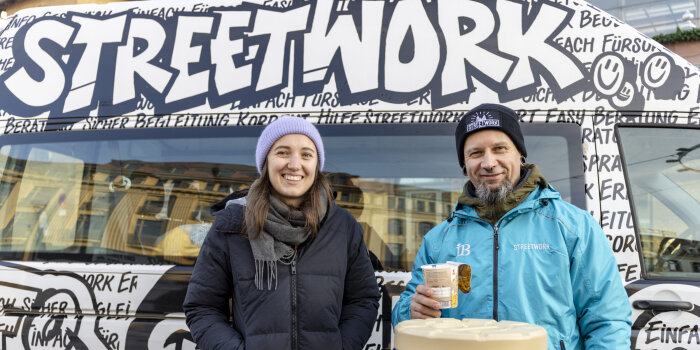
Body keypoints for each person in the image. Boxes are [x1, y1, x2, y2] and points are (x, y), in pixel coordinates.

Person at [391, 104, 632, 349]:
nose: (488, 162)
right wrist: (411, 311)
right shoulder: (440, 239)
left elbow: (607, 320)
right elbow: (405, 315)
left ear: (520, 154)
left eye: (499, 149)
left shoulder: (572, 226)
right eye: (475, 153)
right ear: (465, 164)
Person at [184, 115, 380, 350]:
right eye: (283, 152)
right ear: (266, 161)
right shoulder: (232, 224)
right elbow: (202, 307)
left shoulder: (343, 226)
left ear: (317, 165)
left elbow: (363, 300)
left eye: (306, 154)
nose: (295, 164)